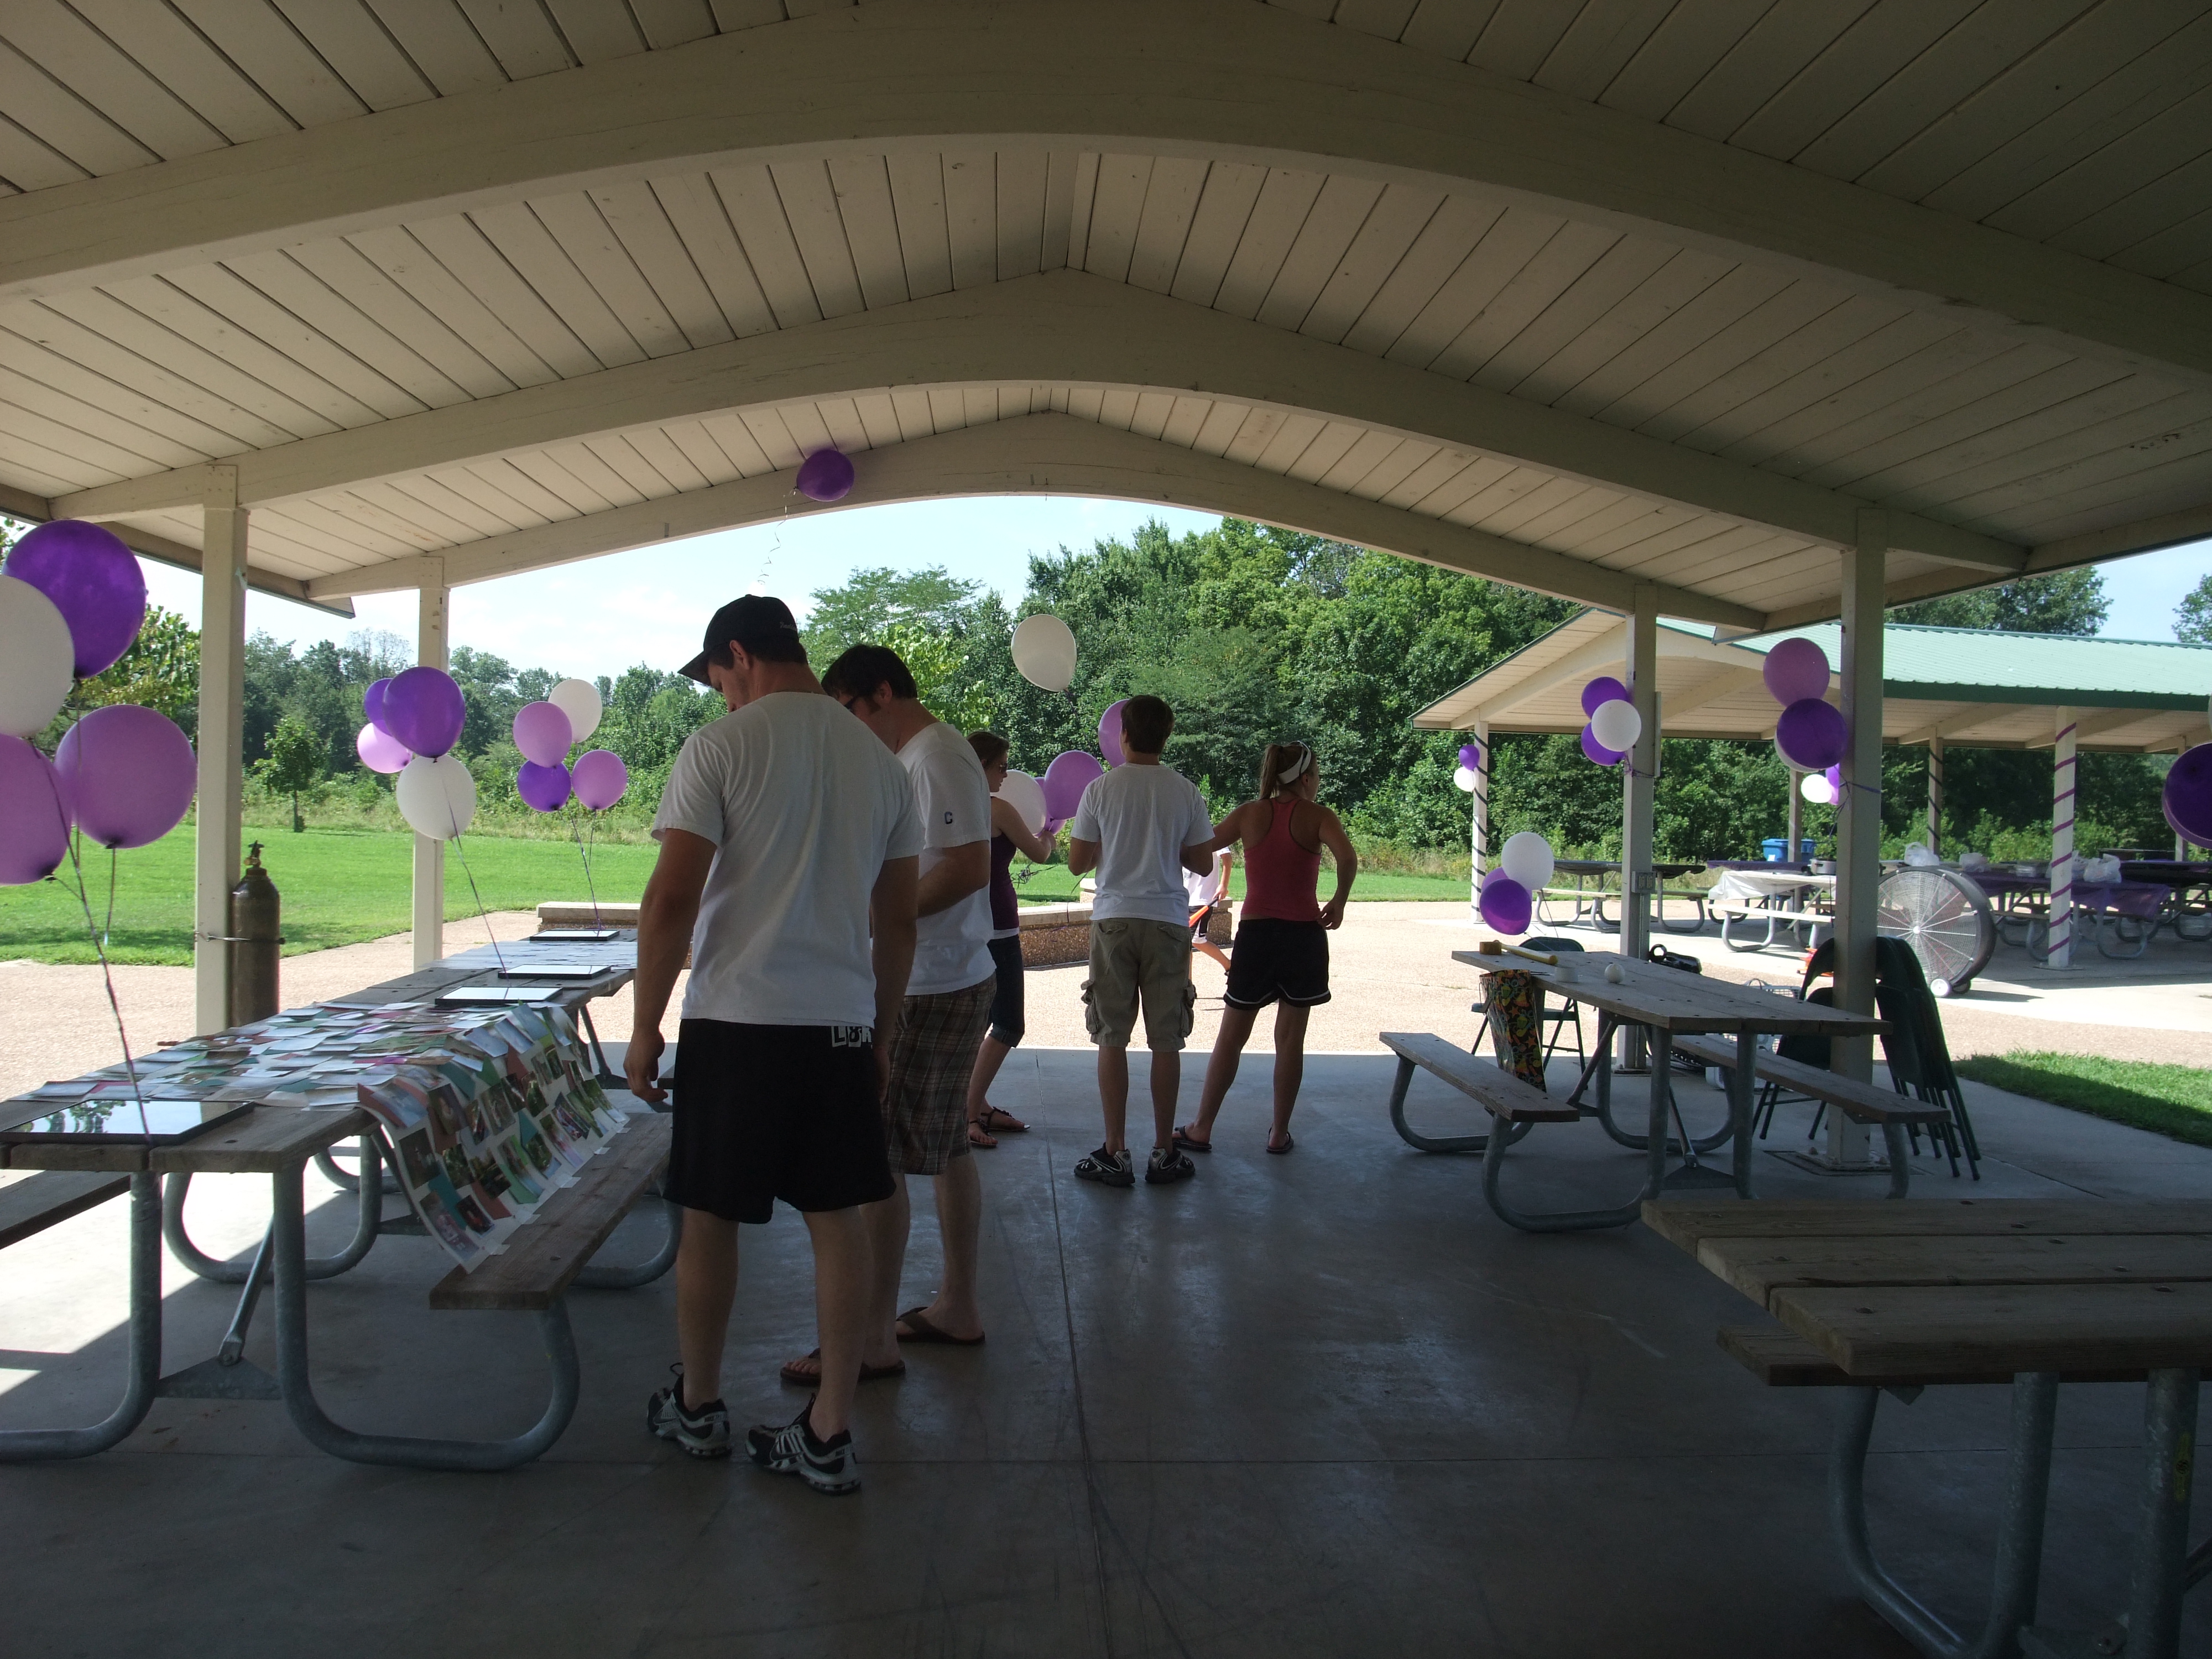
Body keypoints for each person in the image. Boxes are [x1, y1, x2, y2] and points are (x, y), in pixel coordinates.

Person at [628, 596, 921, 1497]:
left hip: (735, 1021)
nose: (719, 697)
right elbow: (897, 918)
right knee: (837, 1219)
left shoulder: (722, 748)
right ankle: (829, 1430)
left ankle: (701, 1404)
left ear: (741, 656)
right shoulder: (881, 765)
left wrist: (644, 1026)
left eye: (718, 679)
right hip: (836, 1021)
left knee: (711, 1218)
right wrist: (882, 1029)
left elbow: (671, 899)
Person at [780, 643, 997, 1382]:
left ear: (878, 694)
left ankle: (872, 1338)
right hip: (945, 976)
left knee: (883, 1159)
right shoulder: (919, 756)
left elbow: (968, 868)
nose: (844, 726)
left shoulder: (934, 755)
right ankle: (955, 1306)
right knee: (943, 1147)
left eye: (846, 710)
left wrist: (877, 919)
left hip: (932, 983)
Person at [1176, 742, 1357, 1155]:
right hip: (1303, 938)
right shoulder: (1319, 816)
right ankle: (1278, 1133)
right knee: (1290, 1040)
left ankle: (1202, 1128)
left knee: (1231, 1038)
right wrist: (1339, 899)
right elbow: (1347, 858)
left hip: (1257, 937)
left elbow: (1198, 849)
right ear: (1307, 778)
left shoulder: (1249, 813)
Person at [1066, 694, 1217, 1188]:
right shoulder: (1186, 791)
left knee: (1111, 1037)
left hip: (1113, 920)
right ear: (1167, 736)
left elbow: (1077, 863)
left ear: (1123, 735)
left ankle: (1115, 1151)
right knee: (1166, 1040)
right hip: (1170, 921)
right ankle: (1164, 1151)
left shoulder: (1100, 790)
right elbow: (1200, 863)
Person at [963, 731, 1057, 1148]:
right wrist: (1053, 831)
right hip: (999, 926)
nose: (1006, 774)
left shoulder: (947, 805)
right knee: (1008, 1023)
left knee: (975, 1021)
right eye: (1001, 766)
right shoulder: (996, 809)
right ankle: (967, 1112)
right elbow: (1039, 854)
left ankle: (977, 1105)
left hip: (964, 924)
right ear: (981, 765)